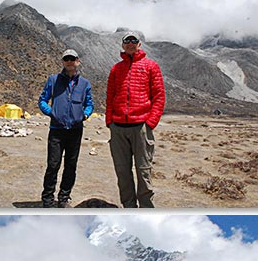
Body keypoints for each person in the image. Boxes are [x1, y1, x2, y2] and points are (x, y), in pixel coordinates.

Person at [106, 31, 166, 208]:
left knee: (143, 171)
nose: (130, 44)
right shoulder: (116, 69)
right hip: (118, 128)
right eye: (127, 41)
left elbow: (159, 96)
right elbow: (110, 96)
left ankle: (146, 208)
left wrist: (150, 123)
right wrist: (109, 121)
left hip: (141, 126)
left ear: (139, 44)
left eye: (134, 41)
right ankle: (129, 208)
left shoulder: (151, 66)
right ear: (123, 45)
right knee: (122, 172)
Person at [38, 49, 94, 207]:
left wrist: (85, 115)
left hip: (75, 130)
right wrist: (52, 113)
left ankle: (63, 198)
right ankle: (48, 199)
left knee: (71, 165)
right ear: (63, 62)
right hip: (57, 129)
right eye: (66, 59)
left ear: (78, 61)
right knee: (53, 165)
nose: (69, 61)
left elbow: (89, 103)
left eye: (72, 58)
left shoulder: (84, 83)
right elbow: (42, 100)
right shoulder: (53, 80)